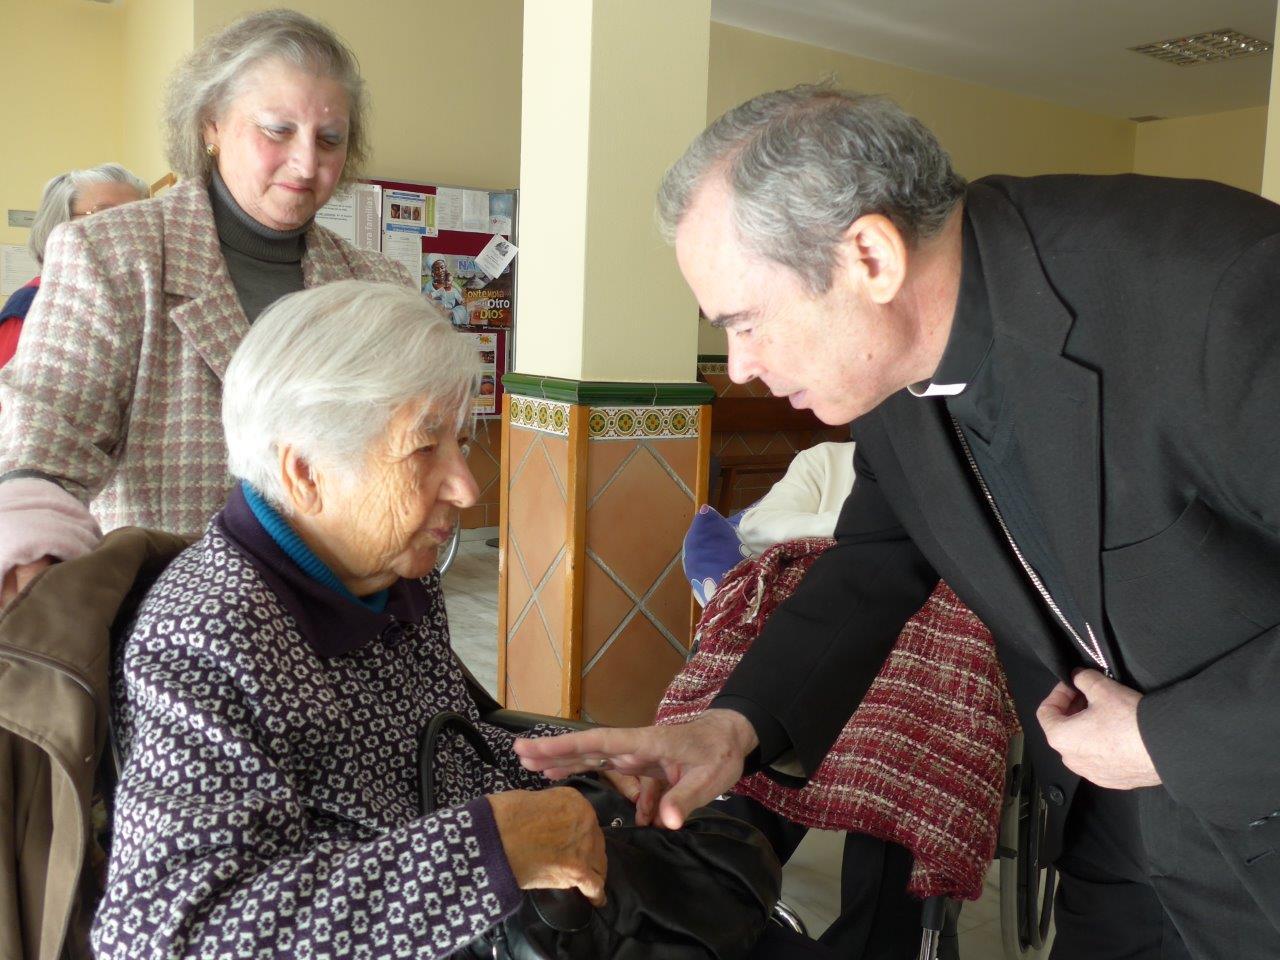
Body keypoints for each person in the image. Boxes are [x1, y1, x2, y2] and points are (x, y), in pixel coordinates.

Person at [516, 85, 1280, 959]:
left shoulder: (1223, 294)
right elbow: (878, 558)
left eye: (747, 322)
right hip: (1121, 842)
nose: (741, 367)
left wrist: (1162, 740)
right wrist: (735, 726)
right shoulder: (896, 369)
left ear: (869, 257)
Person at [91, 281, 653, 958]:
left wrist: (577, 762)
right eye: (424, 449)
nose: (468, 489)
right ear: (305, 473)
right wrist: (492, 850)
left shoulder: (386, 574)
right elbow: (168, 937)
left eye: (463, 441)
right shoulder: (204, 637)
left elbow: (426, 752)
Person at [0, 9, 410, 609]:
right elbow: (43, 442)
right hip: (167, 632)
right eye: (276, 130)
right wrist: (43, 593)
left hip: (332, 621)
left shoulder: (374, 284)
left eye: (330, 139)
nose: (306, 163)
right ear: (211, 125)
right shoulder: (114, 255)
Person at [0, 163, 148, 367]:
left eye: (138, 218)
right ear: (60, 225)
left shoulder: (136, 304)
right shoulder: (28, 307)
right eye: (106, 214)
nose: (127, 230)